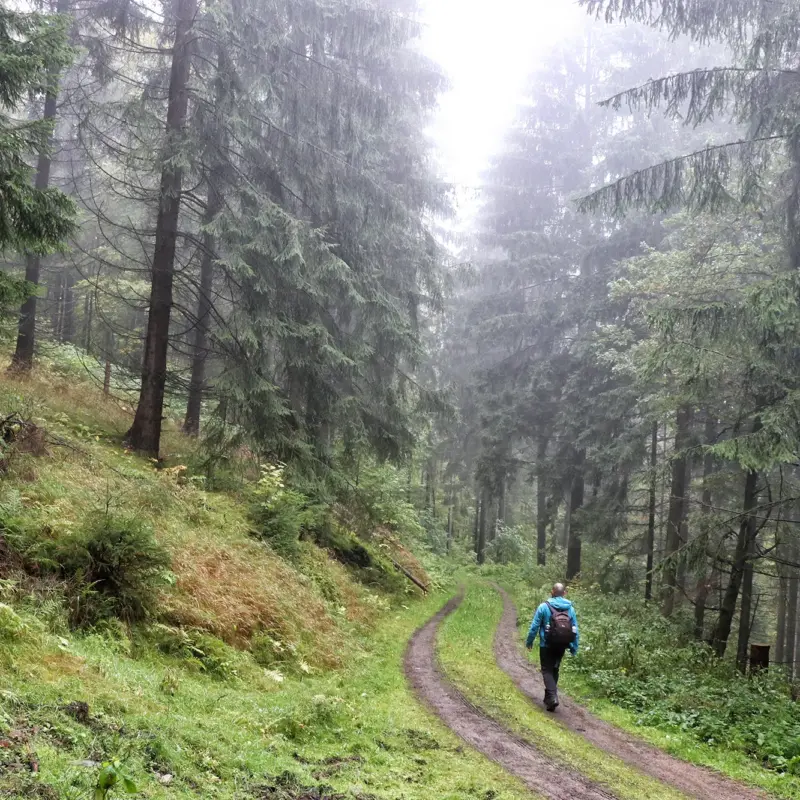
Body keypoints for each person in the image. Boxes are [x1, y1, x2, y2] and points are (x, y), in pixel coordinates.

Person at [525, 582, 579, 712]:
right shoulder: (570, 609)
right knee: (555, 669)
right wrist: (573, 647)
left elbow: (534, 626)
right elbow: (575, 629)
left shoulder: (544, 607)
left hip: (546, 645)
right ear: (564, 593)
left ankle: (553, 697)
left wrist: (529, 641)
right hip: (562, 645)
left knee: (546, 670)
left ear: (552, 592)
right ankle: (548, 698)